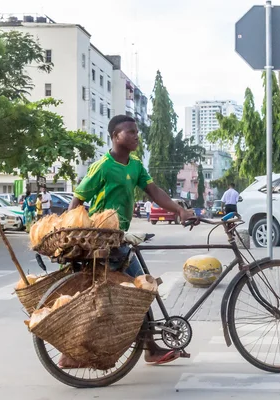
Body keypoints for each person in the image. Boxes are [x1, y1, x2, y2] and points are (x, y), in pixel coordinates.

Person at [68, 115, 193, 366]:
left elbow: (154, 192)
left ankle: (149, 348)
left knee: (139, 291)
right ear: (115, 136)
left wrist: (178, 209)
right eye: (130, 132)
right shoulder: (103, 166)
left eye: (137, 131)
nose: (136, 136)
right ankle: (73, 351)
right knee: (126, 293)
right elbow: (78, 198)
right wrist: (70, 233)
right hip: (102, 242)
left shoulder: (135, 164)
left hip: (120, 240)